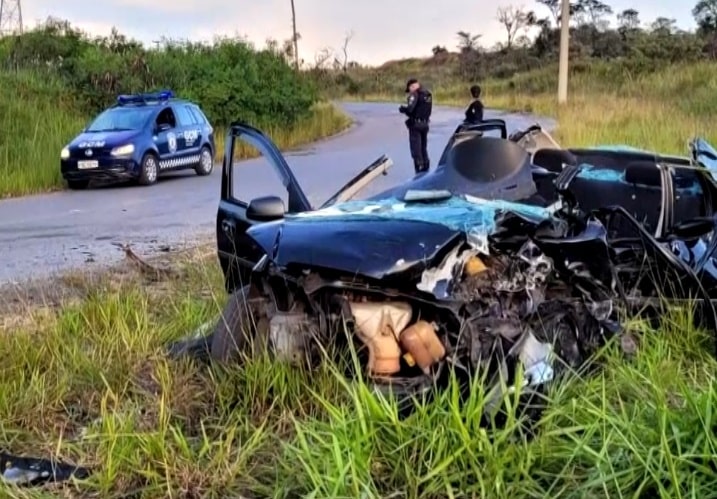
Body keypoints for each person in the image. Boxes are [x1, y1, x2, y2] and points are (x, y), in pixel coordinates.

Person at [398, 78, 433, 174]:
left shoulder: (414, 94)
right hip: (425, 124)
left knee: (416, 148)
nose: (410, 91)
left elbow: (410, 109)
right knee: (423, 147)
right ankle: (426, 168)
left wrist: (403, 109)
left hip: (416, 125)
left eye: (409, 89)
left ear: (412, 86)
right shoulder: (427, 94)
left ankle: (419, 169)